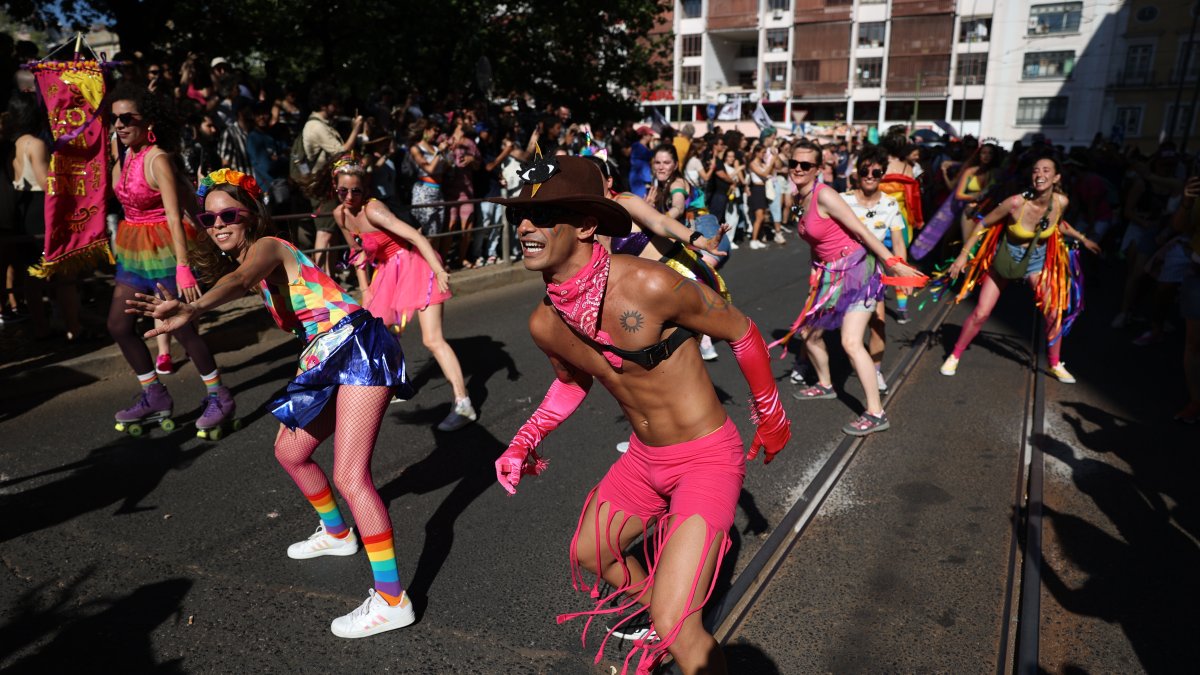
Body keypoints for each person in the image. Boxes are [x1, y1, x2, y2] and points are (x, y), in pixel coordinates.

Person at [488, 156, 791, 675]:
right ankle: (671, 612)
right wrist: (523, 439)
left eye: (543, 215)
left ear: (586, 225)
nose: (525, 227)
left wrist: (770, 414)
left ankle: (676, 625)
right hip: (644, 459)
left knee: (678, 628)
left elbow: (740, 329)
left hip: (706, 459)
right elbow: (570, 383)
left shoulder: (651, 285)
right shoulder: (545, 322)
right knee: (593, 554)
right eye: (521, 215)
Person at [127, 168, 418, 637]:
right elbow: (249, 281)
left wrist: (195, 308)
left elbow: (241, 279)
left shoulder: (269, 246)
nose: (218, 223)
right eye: (209, 217)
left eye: (229, 214)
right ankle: (339, 535)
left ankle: (392, 599)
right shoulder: (257, 267)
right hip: (324, 356)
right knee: (290, 450)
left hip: (357, 346)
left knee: (350, 475)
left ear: (250, 217)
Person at [106, 83, 233, 436]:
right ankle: (154, 394)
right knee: (118, 325)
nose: (118, 124)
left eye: (126, 117)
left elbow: (176, 216)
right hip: (133, 249)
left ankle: (218, 395)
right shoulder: (125, 155)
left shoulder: (157, 158)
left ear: (147, 120)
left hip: (164, 248)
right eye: (114, 118)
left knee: (183, 329)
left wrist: (183, 268)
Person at [778, 139, 924, 436]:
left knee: (851, 342)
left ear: (818, 169)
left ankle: (876, 412)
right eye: (794, 163)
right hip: (829, 274)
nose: (798, 169)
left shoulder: (826, 195)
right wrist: (815, 277)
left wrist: (891, 261)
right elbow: (817, 244)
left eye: (806, 165)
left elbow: (860, 230)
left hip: (857, 271)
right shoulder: (799, 198)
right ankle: (825, 384)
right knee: (810, 335)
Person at [322, 154, 477, 430]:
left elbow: (416, 237)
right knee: (381, 334)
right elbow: (358, 253)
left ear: (365, 189)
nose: (349, 196)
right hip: (386, 272)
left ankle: (463, 403)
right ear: (335, 187)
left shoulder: (374, 210)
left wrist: (439, 270)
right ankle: (395, 385)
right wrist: (365, 289)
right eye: (343, 190)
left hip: (414, 264)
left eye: (355, 190)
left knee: (432, 340)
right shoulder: (341, 214)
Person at [942, 155, 1101, 382]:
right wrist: (962, 256)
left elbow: (1058, 224)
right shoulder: (1015, 203)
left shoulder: (1060, 202)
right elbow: (983, 223)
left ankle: (1055, 363)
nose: (1040, 174)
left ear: (1056, 177)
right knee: (981, 313)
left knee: (1054, 313)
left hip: (1036, 263)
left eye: (1046, 170)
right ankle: (955, 355)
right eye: (1036, 170)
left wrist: (1083, 238)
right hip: (1005, 261)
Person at [842, 146, 909, 392]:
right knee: (816, 322)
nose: (870, 175)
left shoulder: (890, 205)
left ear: (883, 174)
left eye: (876, 171)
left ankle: (876, 370)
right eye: (864, 170)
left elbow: (899, 244)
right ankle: (809, 365)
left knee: (878, 321)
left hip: (872, 272)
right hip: (841, 271)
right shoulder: (843, 200)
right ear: (857, 173)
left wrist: (902, 275)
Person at [302, 85, 363, 272]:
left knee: (331, 233)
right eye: (334, 104)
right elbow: (341, 152)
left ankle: (328, 278)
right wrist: (356, 129)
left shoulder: (323, 125)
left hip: (329, 186)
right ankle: (316, 279)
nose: (337, 108)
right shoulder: (316, 126)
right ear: (324, 104)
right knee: (324, 233)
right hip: (323, 188)